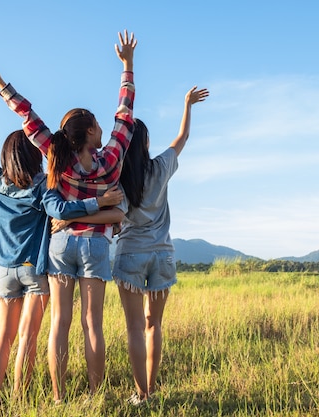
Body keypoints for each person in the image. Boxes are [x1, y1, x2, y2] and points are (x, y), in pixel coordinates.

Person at [0, 30, 137, 401]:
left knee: (58, 325)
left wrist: (1, 84)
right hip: (94, 245)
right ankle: (95, 396)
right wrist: (127, 66)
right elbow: (125, 116)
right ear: (92, 132)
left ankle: (60, 397)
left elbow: (28, 118)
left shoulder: (57, 158)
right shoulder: (110, 159)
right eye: (97, 124)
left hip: (61, 244)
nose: (102, 128)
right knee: (92, 324)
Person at [0, 89, 123, 411]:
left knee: (4, 336)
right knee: (27, 338)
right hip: (35, 270)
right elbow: (62, 209)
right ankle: (18, 399)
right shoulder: (42, 185)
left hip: (4, 271)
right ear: (32, 156)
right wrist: (98, 203)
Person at [114, 86, 209, 405]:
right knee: (154, 325)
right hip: (163, 256)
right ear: (147, 144)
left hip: (130, 255)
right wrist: (187, 105)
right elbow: (181, 139)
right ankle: (151, 391)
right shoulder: (161, 166)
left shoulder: (118, 179)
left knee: (135, 328)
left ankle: (141, 395)